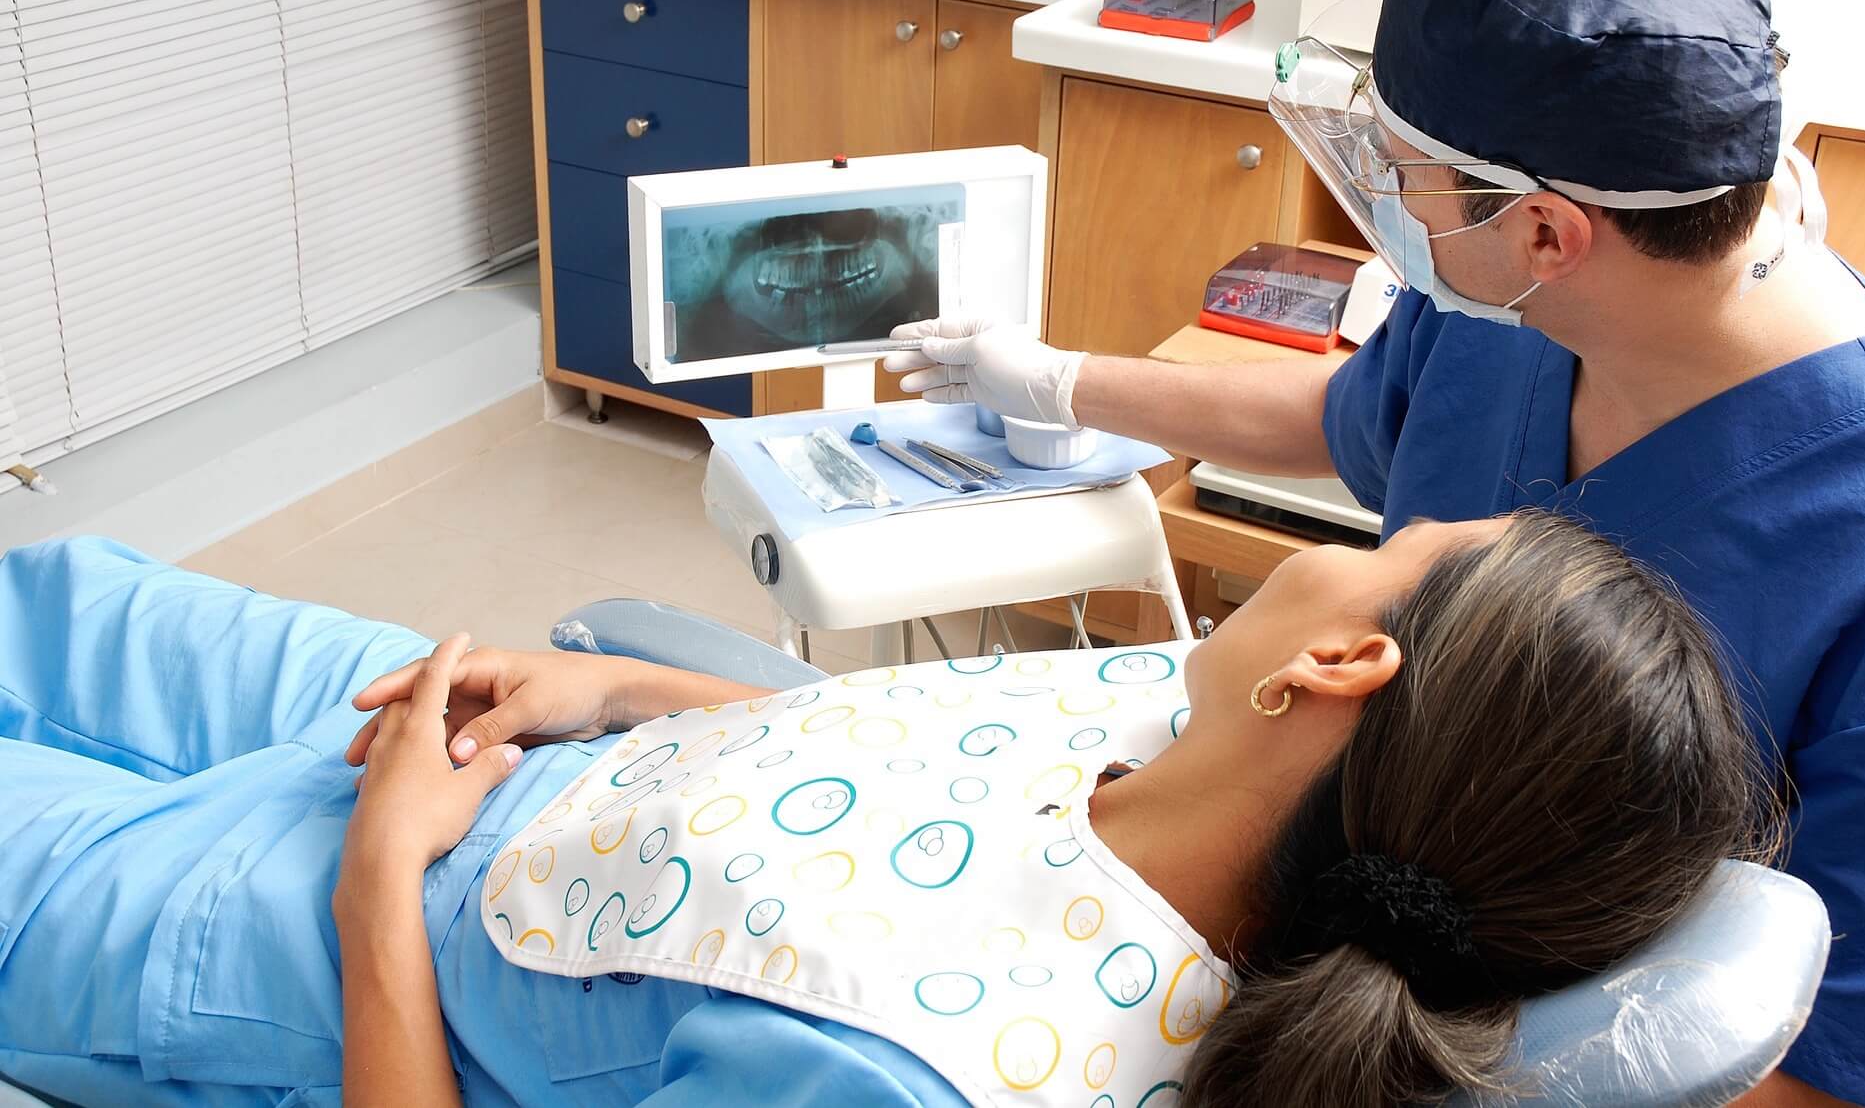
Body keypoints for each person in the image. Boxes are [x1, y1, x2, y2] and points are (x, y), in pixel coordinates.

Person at [888, 0, 1865, 1108]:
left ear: (1545, 229)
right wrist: (1062, 382)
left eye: (1400, 165)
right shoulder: (1508, 308)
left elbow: (1829, 1067)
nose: (1376, 191)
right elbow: (1350, 416)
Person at [0, 513, 1770, 1107]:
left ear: (1349, 672)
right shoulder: (1189, 720)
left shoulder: (897, 1076)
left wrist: (381, 874)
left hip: (313, 937)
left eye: (1395, 546)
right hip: (485, 743)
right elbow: (887, 748)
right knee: (60, 595)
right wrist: (600, 690)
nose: (1345, 543)